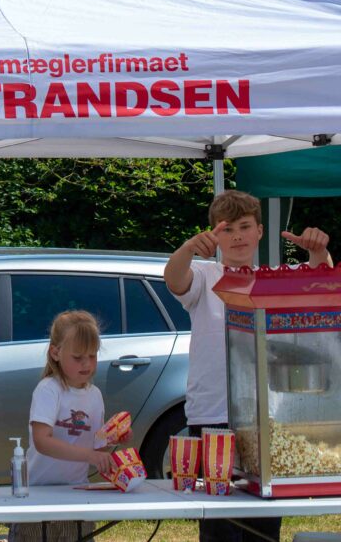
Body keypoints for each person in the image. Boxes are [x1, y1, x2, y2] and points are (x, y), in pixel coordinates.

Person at [164, 188, 331, 542]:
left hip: (265, 416)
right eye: (227, 229)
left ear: (259, 231)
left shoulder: (270, 277)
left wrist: (319, 251)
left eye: (245, 226)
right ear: (213, 234)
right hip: (212, 415)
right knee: (219, 521)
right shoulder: (206, 275)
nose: (237, 235)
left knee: (264, 517)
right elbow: (174, 279)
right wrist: (189, 248)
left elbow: (318, 279)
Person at [8, 310, 119, 542]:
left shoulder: (95, 395)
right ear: (55, 352)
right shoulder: (49, 389)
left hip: (77, 494)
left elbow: (96, 448)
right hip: (38, 496)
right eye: (78, 357)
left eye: (92, 355)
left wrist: (111, 441)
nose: (87, 364)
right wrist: (89, 455)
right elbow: (42, 441)